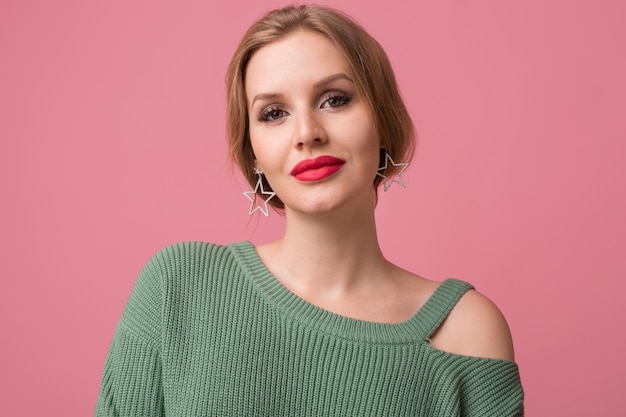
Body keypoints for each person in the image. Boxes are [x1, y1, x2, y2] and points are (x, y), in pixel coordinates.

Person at [95, 5, 524, 416]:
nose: (307, 134)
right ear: (254, 153)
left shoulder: (465, 331)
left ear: (382, 119)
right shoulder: (178, 287)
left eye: (334, 99)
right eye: (274, 113)